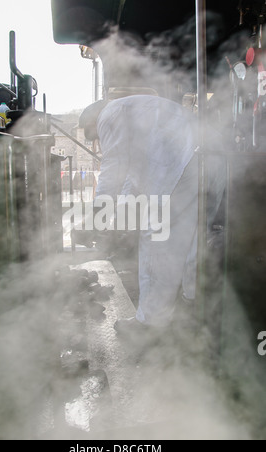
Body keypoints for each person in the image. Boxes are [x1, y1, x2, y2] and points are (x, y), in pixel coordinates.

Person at [79, 94, 225, 333]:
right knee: (194, 239)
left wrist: (98, 215)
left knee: (156, 241)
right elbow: (130, 180)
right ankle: (193, 302)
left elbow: (113, 167)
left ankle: (149, 322)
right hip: (214, 162)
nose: (99, 142)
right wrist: (118, 218)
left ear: (94, 120)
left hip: (183, 165)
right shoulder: (136, 110)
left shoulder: (110, 113)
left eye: (95, 136)